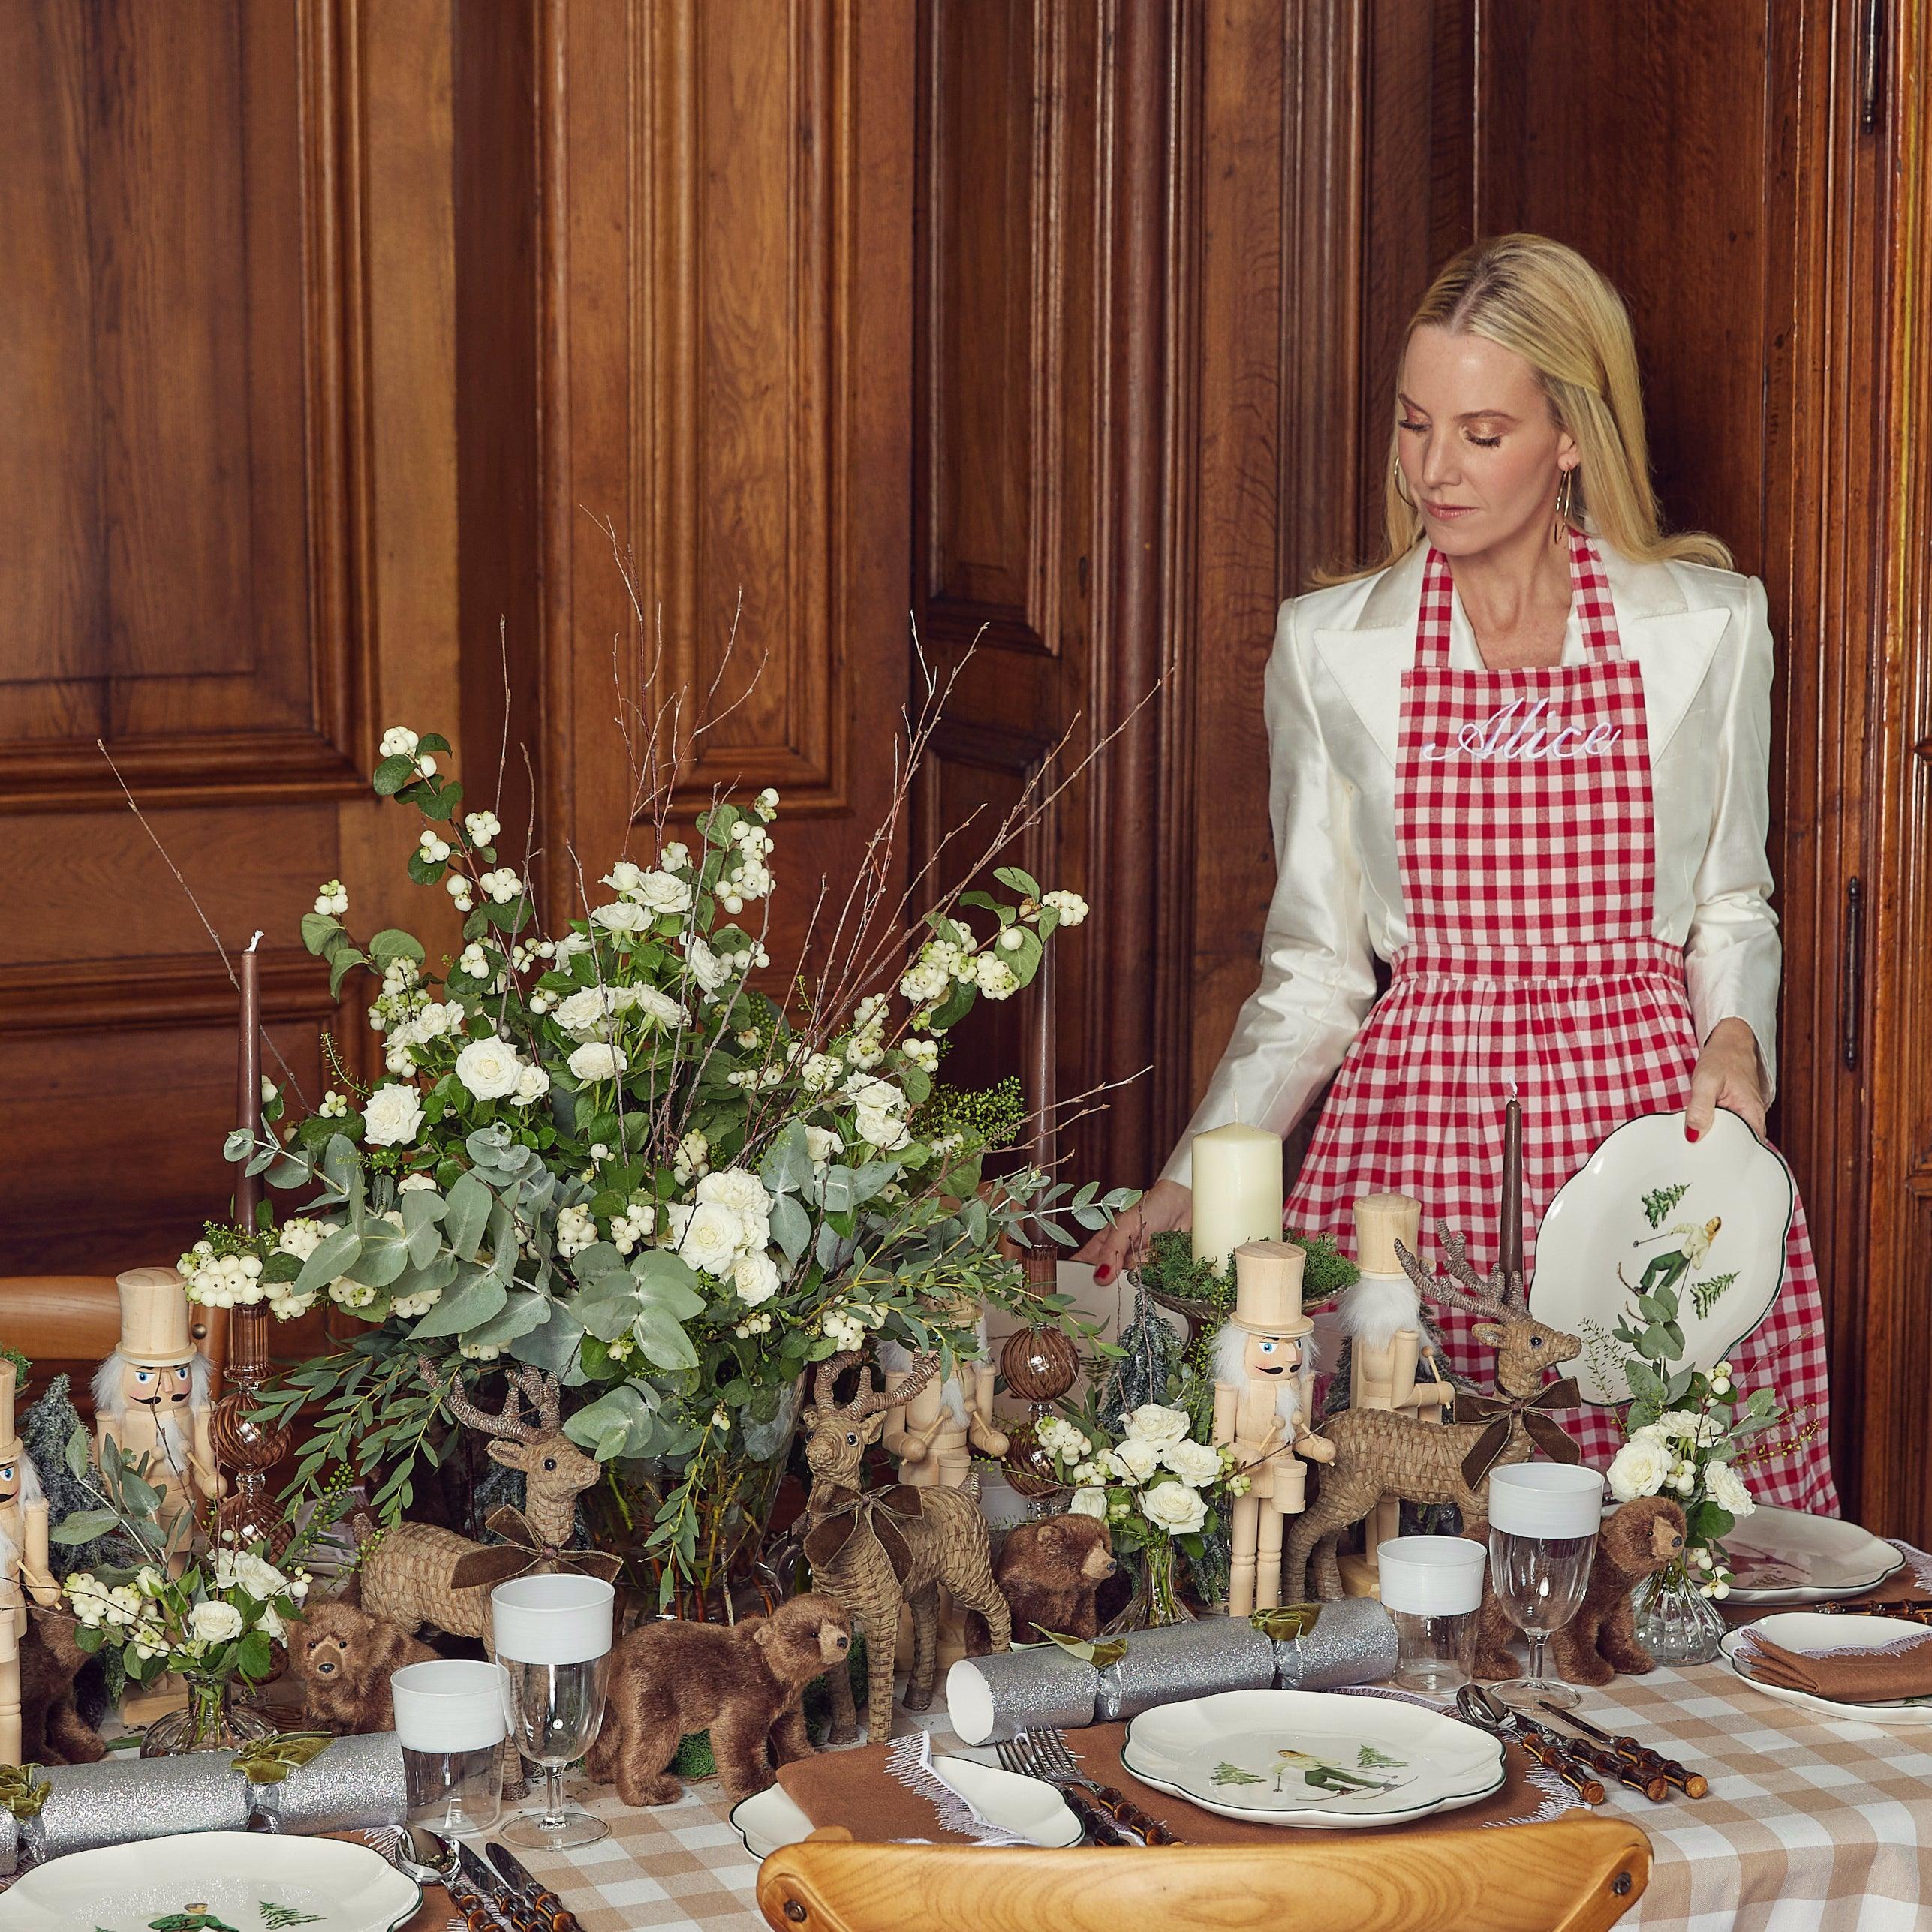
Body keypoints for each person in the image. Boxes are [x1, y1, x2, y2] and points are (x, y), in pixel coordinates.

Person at [1080, 233, 1835, 1512]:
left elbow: (1728, 900)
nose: (1434, 468)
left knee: (1658, 1521)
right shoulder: (1333, 650)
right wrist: (1181, 1183)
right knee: (1400, 1501)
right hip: (1413, 1132)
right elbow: (1315, 973)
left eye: (1481, 432)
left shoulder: (1707, 624)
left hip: (1641, 1125)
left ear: (1572, 437)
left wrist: (1734, 1036)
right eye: (1413, 423)